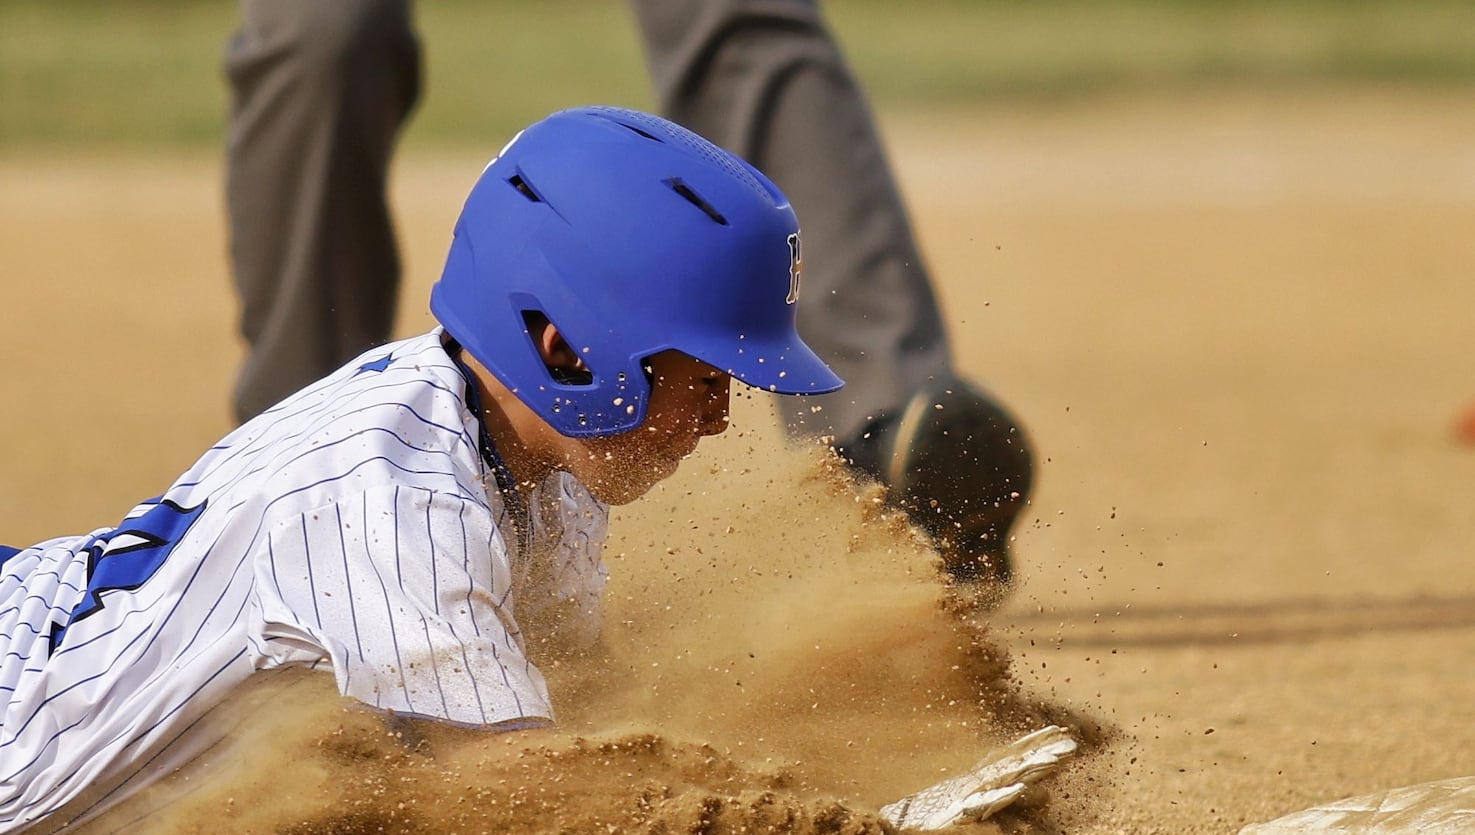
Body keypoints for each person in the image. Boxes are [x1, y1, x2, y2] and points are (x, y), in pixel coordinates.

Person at [0, 109, 1070, 835]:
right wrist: (855, 824)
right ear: (563, 348)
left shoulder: (529, 461)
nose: (719, 418)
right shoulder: (397, 500)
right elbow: (522, 793)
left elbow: (576, 716)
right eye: (697, 377)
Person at [224, 0, 1034, 590]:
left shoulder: (574, 511)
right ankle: (314, 488)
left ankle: (881, 437)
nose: (720, 420)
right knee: (325, 32)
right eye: (712, 384)